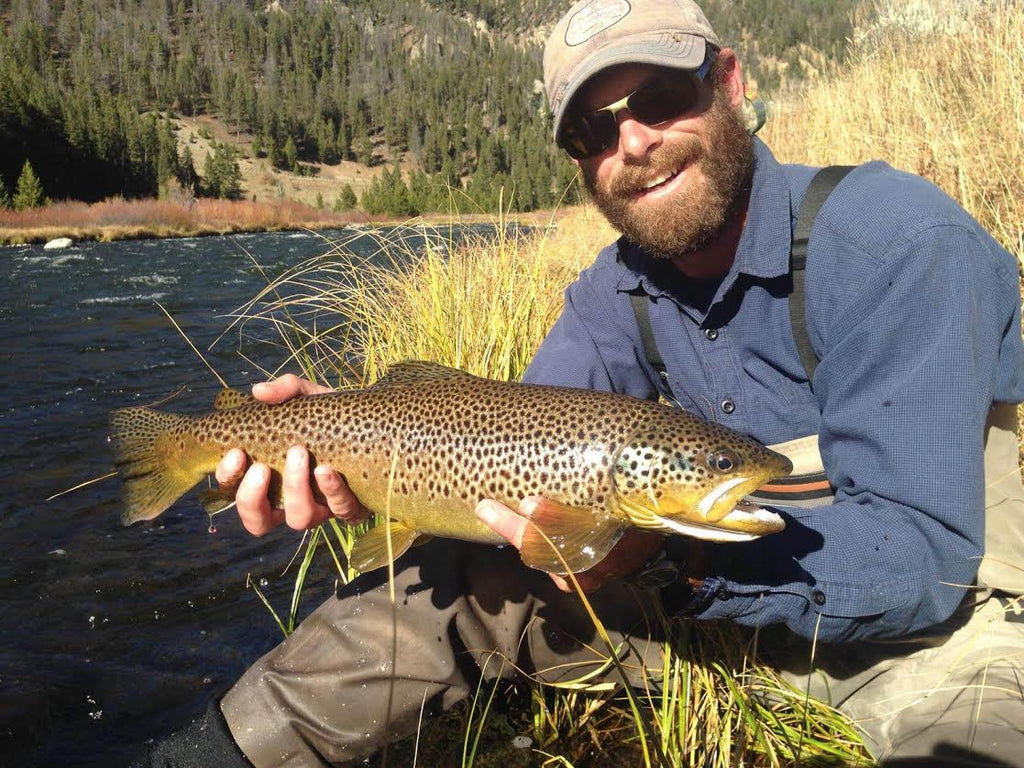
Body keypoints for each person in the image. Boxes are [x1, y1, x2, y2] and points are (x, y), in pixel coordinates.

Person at [141, 1, 1024, 765]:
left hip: (933, 636)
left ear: (730, 82)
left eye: (660, 99)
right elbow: (491, 441)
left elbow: (930, 562)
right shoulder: (612, 295)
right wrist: (353, 439)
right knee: (446, 574)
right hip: (711, 616)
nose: (632, 142)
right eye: (593, 132)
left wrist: (678, 554)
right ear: (577, 161)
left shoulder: (896, 244)